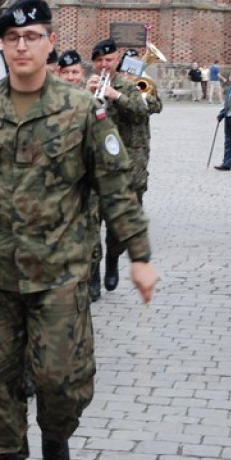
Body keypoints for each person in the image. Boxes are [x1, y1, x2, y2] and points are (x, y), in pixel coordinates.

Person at [0, 0, 157, 460]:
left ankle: (56, 440)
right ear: (1, 46)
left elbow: (116, 188)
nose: (22, 46)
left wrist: (138, 254)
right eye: (12, 38)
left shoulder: (81, 111)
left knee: (59, 380)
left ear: (50, 43)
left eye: (33, 37)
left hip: (60, 273)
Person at [86, 38, 160, 296]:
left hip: (126, 164)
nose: (104, 65)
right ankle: (92, 276)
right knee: (91, 222)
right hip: (94, 166)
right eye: (99, 61)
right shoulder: (87, 85)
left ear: (117, 59)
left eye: (109, 60)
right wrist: (86, 95)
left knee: (117, 224)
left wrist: (115, 96)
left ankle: (113, 262)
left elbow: (144, 110)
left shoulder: (130, 87)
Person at [214, 70, 231, 170]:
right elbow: (227, 105)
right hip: (229, 119)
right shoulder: (229, 89)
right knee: (229, 142)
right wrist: (221, 115)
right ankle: (227, 163)